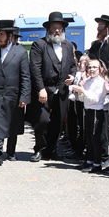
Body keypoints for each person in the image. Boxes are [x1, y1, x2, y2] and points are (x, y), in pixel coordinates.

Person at [29, 12, 77, 162]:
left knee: (58, 122)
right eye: (54, 27)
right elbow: (35, 68)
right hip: (45, 89)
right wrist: (40, 88)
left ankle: (52, 149)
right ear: (48, 29)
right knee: (42, 121)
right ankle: (40, 148)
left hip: (62, 90)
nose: (57, 30)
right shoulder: (40, 45)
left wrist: (73, 76)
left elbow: (73, 66)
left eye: (59, 28)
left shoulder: (68, 46)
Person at [0, 20, 29, 166]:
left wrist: (24, 96)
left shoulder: (20, 52)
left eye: (2, 34)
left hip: (13, 95)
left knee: (12, 124)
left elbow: (25, 76)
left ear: (10, 36)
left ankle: (11, 151)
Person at [70, 58, 108, 173]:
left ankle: (97, 163)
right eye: (89, 67)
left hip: (97, 110)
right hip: (88, 110)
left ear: (100, 69)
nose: (91, 69)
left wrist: (83, 91)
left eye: (94, 67)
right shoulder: (87, 81)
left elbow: (96, 99)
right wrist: (80, 92)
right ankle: (90, 160)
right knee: (89, 137)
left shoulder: (101, 82)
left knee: (95, 137)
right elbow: (83, 98)